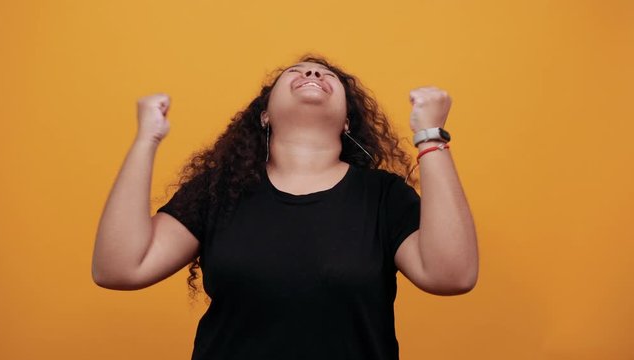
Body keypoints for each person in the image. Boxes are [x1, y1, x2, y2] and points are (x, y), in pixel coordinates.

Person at [92, 54, 478, 360]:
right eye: (297, 71)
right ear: (264, 115)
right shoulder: (218, 191)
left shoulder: (382, 195)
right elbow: (120, 267)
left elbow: (452, 275)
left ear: (347, 121)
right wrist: (146, 140)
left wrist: (430, 137)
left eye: (325, 75)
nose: (312, 73)